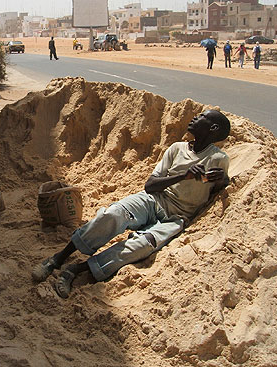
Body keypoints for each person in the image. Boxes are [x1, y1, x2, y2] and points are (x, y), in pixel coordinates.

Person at [32, 110, 231, 298]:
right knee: (112, 214)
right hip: (155, 199)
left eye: (202, 116)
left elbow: (211, 188)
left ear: (213, 129)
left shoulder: (218, 159)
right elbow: (151, 186)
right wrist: (183, 175)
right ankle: (57, 258)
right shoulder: (177, 149)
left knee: (142, 246)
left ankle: (76, 269)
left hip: (177, 217)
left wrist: (221, 180)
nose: (195, 117)